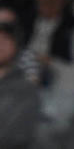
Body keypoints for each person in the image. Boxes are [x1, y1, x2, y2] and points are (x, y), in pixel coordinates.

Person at [0, 18, 40, 149]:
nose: (0, 44)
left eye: (6, 39)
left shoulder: (25, 90)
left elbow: (15, 136)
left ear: (15, 47)